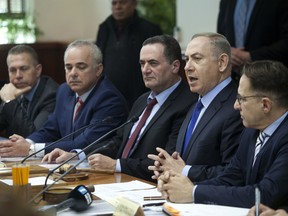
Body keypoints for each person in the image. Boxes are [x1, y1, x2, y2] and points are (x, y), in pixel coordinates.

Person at [42, 35, 198, 181]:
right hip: (120, 180)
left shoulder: (187, 104)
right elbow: (118, 142)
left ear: (175, 66)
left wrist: (116, 165)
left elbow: (166, 161)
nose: (145, 70)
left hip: (148, 185)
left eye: (153, 63)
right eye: (142, 64)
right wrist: (78, 155)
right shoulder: (142, 100)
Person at [157, 60, 288, 209]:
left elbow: (263, 195)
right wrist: (178, 186)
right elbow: (230, 178)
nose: (236, 105)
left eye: (241, 99)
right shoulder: (251, 131)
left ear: (265, 105)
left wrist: (193, 192)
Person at [0, 40, 128, 157]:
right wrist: (26, 142)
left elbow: (83, 143)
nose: (73, 73)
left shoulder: (109, 99)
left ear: (98, 69)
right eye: (68, 67)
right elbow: (50, 129)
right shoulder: (64, 91)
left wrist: (31, 149)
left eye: (81, 67)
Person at [148, 32, 243, 182]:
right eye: (187, 59)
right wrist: (167, 170)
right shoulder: (195, 105)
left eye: (197, 59)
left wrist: (185, 171)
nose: (187, 67)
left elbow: (233, 173)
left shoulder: (237, 108)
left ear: (222, 63)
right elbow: (182, 161)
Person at [96, 0, 162, 109]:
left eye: (122, 2)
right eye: (114, 3)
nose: (118, 7)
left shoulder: (149, 29)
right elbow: (98, 61)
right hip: (108, 97)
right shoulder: (104, 28)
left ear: (134, 3)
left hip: (139, 97)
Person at [217, 0, 288, 82]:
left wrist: (251, 56)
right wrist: (227, 53)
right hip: (232, 80)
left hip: (270, 80)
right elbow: (220, 39)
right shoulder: (226, 2)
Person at [0, 45, 58, 138]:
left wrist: (10, 101)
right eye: (13, 70)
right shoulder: (12, 89)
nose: (18, 75)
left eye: (23, 68)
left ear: (38, 70)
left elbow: (34, 137)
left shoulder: (51, 95)